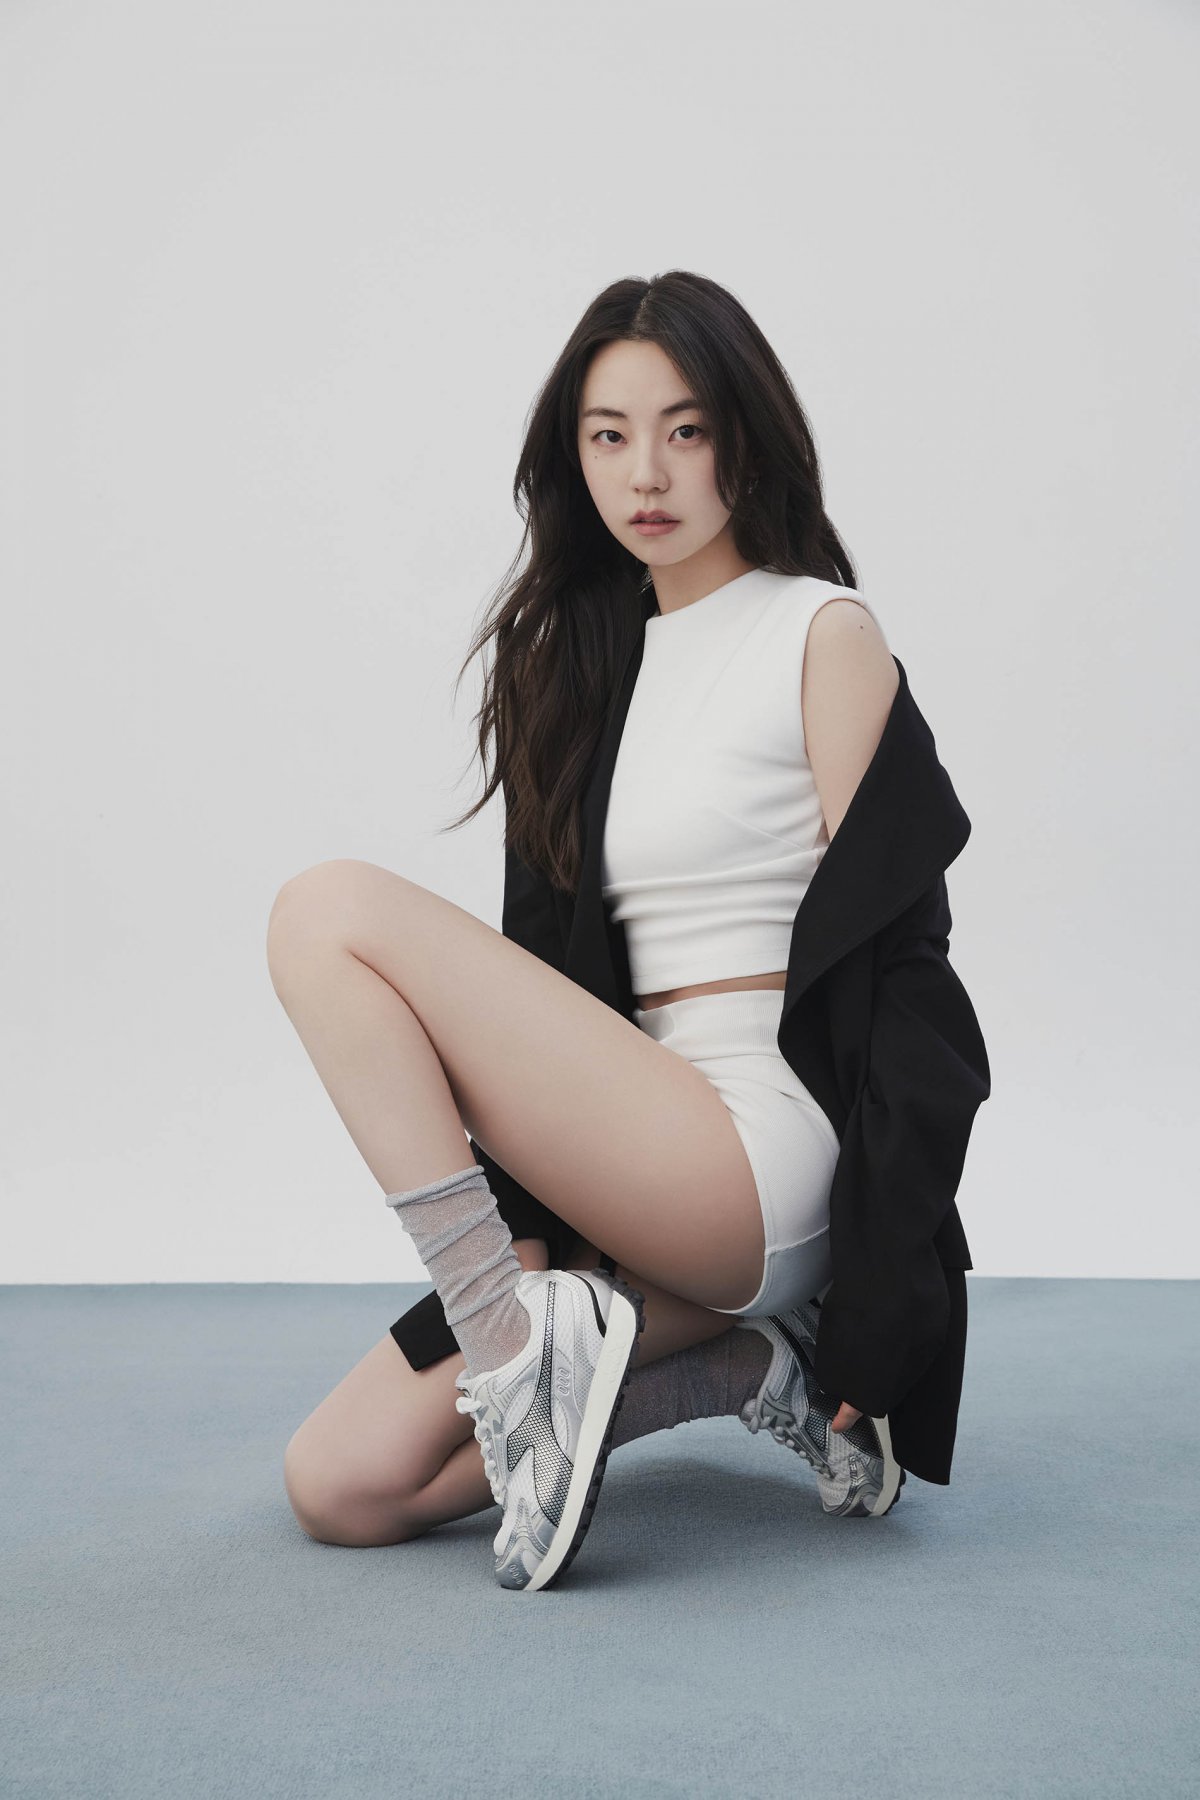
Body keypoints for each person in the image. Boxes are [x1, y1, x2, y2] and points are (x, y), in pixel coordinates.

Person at [268, 270, 990, 1594]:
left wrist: (890, 1304)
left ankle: (518, 1352)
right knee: (347, 1482)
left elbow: (909, 977)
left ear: (744, 442)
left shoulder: (819, 631)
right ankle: (743, 1365)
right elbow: (542, 988)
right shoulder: (568, 667)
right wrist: (530, 1242)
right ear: (576, 456)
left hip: (759, 1153)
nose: (645, 471)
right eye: (609, 435)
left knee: (326, 914)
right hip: (627, 1151)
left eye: (685, 429)